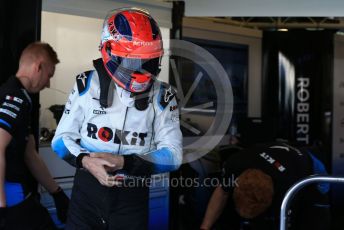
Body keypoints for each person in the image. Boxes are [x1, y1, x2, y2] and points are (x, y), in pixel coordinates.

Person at [51, 8, 182, 230]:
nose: (139, 71)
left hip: (132, 198)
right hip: (86, 196)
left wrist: (124, 163)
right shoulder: (86, 84)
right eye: (131, 62)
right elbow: (60, 141)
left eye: (147, 62)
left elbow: (174, 156)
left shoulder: (163, 95)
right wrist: (85, 161)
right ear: (108, 51)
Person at [0, 42, 70, 229]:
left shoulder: (22, 98)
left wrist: (57, 193)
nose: (47, 84)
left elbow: (30, 154)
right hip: (11, 201)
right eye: (49, 75)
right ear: (38, 67)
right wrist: (1, 208)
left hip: (20, 199)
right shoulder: (14, 97)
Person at [200, 142, 330, 230]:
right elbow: (221, 193)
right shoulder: (234, 164)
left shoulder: (288, 188)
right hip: (277, 159)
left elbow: (286, 223)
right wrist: (204, 228)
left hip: (311, 167)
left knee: (315, 219)